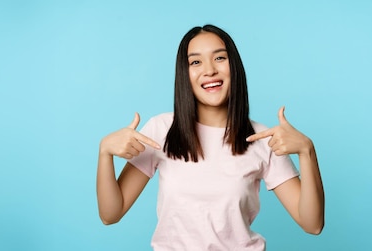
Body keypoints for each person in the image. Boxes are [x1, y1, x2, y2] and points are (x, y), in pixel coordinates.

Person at [96, 24, 324, 250]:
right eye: (195, 62)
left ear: (234, 66)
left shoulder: (262, 138)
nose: (209, 70)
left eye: (219, 58)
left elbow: (312, 224)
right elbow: (111, 214)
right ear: (184, 73)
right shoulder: (161, 130)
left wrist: (307, 151)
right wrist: (105, 152)